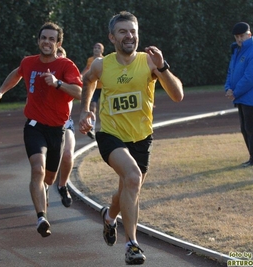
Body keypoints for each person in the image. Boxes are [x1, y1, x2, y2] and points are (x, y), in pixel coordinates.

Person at [78, 11, 184, 265]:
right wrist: (85, 110)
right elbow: (89, 81)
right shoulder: (102, 64)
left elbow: (178, 95)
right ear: (112, 37)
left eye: (133, 31)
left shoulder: (149, 62)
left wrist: (163, 66)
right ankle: (132, 245)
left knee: (127, 189)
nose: (130, 36)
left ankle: (109, 217)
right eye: (123, 31)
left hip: (141, 137)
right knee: (133, 178)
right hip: (110, 135)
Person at [0, 22, 82, 237]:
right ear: (38, 40)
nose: (47, 42)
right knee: (37, 169)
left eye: (52, 39)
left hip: (57, 130)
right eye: (44, 38)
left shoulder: (66, 66)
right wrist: (0, 92)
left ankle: (45, 193)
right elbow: (17, 73)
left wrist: (57, 83)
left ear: (58, 43)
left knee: (49, 179)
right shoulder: (29, 62)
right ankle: (41, 217)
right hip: (34, 127)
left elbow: (79, 92)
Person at [224, 22, 253, 167]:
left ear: (249, 34)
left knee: (251, 129)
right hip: (241, 96)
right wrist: (228, 88)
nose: (239, 39)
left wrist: (235, 92)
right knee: (245, 128)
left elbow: (251, 77)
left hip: (251, 97)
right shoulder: (237, 51)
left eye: (242, 36)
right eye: (237, 37)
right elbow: (231, 71)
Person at [56, 46, 73, 207]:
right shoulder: (45, 76)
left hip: (66, 123)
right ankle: (44, 188)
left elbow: (81, 90)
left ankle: (63, 185)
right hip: (44, 125)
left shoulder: (70, 75)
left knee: (67, 154)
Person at [80, 42, 104, 139]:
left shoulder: (104, 60)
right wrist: (81, 75)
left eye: (99, 48)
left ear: (102, 50)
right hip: (93, 88)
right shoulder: (90, 60)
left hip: (103, 87)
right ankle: (92, 128)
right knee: (92, 107)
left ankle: (107, 128)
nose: (96, 49)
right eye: (95, 47)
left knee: (104, 107)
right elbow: (87, 68)